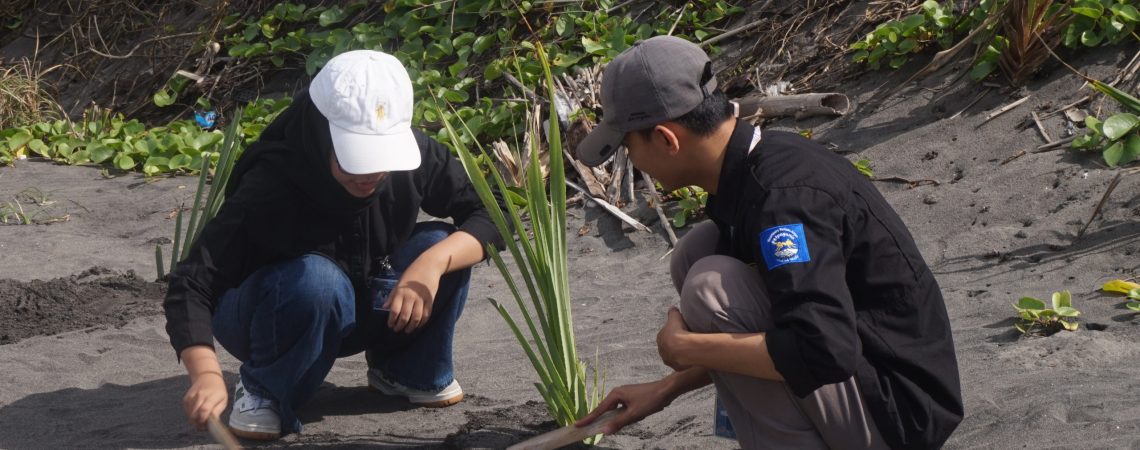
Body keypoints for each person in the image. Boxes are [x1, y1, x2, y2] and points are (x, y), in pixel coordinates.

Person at [573, 36, 963, 449]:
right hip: (869, 377)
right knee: (698, 253)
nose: (634, 162)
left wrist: (686, 346)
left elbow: (823, 350)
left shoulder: (783, 200)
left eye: (629, 147)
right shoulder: (751, 171)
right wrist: (666, 388)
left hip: (898, 414)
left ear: (667, 139)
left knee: (711, 287)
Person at [163, 49, 503, 440]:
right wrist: (206, 373)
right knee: (318, 280)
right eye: (355, 160)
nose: (370, 175)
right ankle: (266, 389)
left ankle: (407, 371)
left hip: (368, 299)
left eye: (382, 159)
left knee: (442, 243)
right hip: (274, 309)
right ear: (322, 133)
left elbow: (493, 213)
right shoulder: (272, 180)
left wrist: (433, 264)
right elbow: (192, 284)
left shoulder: (417, 156)